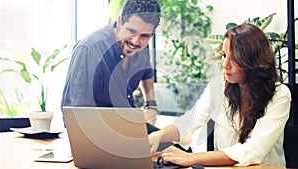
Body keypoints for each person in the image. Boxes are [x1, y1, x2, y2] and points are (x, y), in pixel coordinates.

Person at [148, 23, 291, 168]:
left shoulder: (280, 94)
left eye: (234, 58)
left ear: (253, 61)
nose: (226, 64)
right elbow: (190, 122)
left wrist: (191, 158)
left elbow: (253, 151)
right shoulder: (218, 86)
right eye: (224, 55)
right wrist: (158, 136)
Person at [61, 0, 161, 125]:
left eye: (144, 36)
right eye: (132, 31)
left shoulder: (142, 45)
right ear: (119, 22)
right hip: (96, 130)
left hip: (129, 125)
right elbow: (74, 111)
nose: (136, 41)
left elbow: (146, 73)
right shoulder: (89, 49)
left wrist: (151, 106)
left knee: (175, 142)